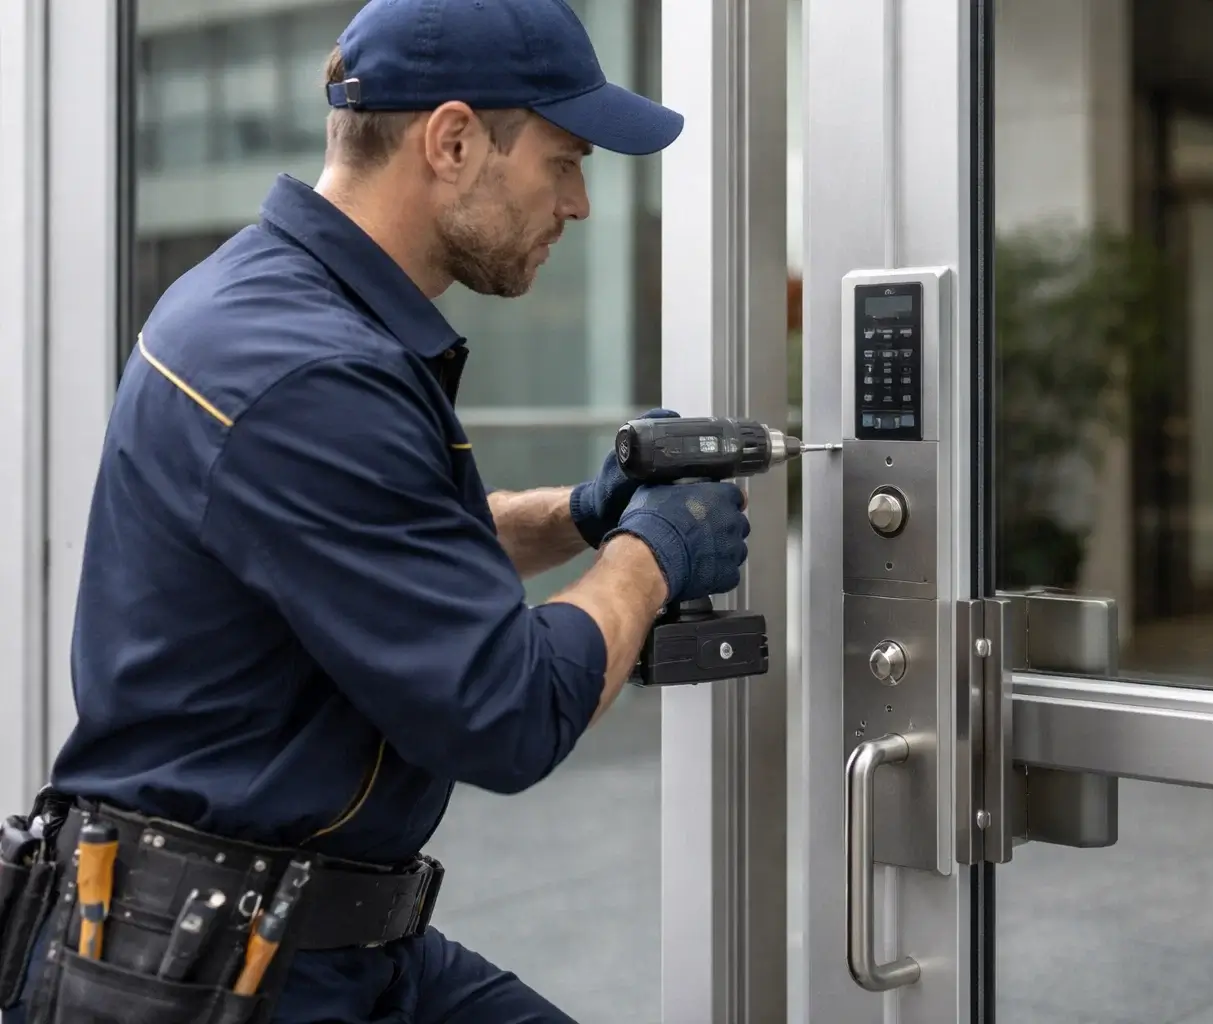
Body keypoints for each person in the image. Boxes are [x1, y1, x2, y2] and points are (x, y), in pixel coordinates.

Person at [2, 2, 748, 1023]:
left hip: (306, 935)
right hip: (212, 976)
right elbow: (505, 711)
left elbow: (383, 555)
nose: (576, 202)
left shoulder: (279, 303)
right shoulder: (308, 371)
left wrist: (580, 515)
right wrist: (651, 554)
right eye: (563, 160)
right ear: (451, 141)